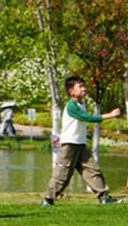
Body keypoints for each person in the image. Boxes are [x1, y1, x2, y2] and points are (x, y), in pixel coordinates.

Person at [41, 76, 122, 206]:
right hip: (69, 145)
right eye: (80, 86)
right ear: (71, 91)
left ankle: (104, 197)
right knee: (62, 174)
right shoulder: (72, 105)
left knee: (92, 170)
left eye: (84, 86)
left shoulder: (81, 104)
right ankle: (48, 199)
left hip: (80, 144)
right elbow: (87, 118)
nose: (84, 89)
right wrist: (110, 115)